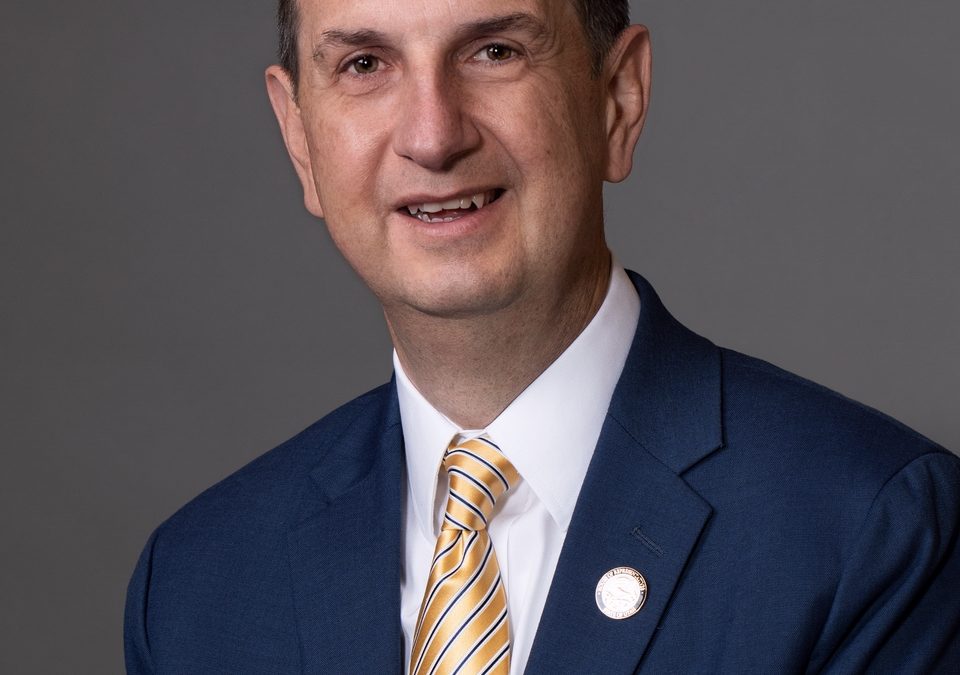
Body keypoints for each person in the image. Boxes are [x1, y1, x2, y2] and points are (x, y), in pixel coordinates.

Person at [124, 0, 960, 672]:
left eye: (494, 51)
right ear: (300, 137)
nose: (433, 135)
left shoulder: (870, 532)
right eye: (365, 65)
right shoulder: (198, 586)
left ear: (617, 99)